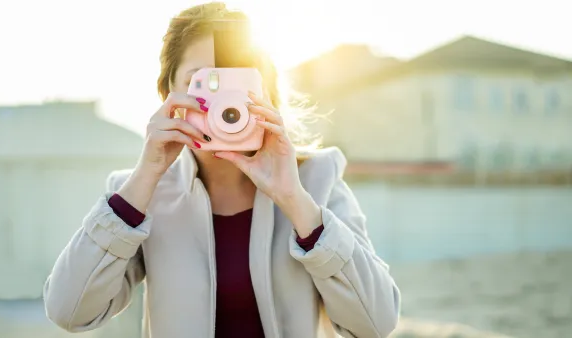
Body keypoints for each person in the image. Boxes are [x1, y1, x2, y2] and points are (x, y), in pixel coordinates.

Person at [43, 2, 400, 338]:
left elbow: (376, 323)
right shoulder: (138, 194)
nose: (223, 104)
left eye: (239, 85)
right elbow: (69, 311)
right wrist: (145, 178)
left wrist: (294, 201)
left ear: (266, 94)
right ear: (168, 93)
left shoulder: (316, 180)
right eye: (203, 83)